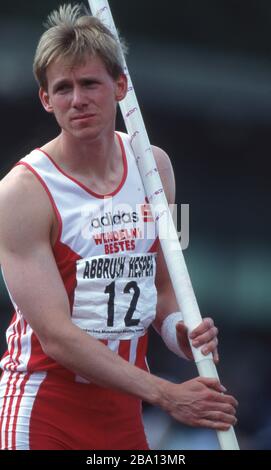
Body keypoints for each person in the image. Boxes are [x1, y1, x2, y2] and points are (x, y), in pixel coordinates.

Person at [0, 4, 237, 450]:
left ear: (120, 86)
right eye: (63, 88)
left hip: (123, 415)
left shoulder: (155, 169)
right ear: (46, 99)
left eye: (90, 83)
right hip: (44, 410)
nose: (78, 99)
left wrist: (176, 332)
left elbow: (162, 286)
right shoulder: (21, 193)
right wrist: (167, 394)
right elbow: (56, 337)